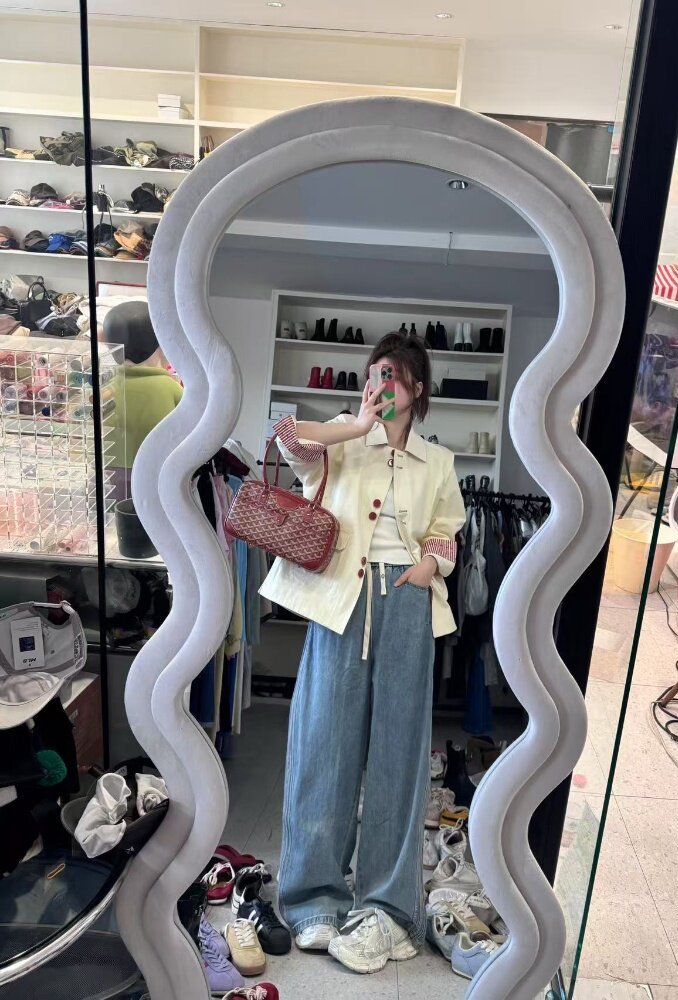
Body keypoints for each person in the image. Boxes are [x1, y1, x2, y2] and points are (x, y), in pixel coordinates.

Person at [259, 331, 465, 974]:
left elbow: (448, 530)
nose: (381, 383)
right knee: (324, 741)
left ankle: (386, 905)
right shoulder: (342, 442)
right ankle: (312, 895)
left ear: (418, 389)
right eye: (374, 372)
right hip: (340, 602)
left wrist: (429, 566)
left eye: (394, 375)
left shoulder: (439, 461)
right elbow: (285, 438)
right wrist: (354, 425)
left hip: (407, 599)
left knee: (400, 752)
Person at [103, 300, 183, 500]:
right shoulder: (172, 388)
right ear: (161, 343)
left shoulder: (106, 388)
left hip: (107, 475)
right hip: (155, 476)